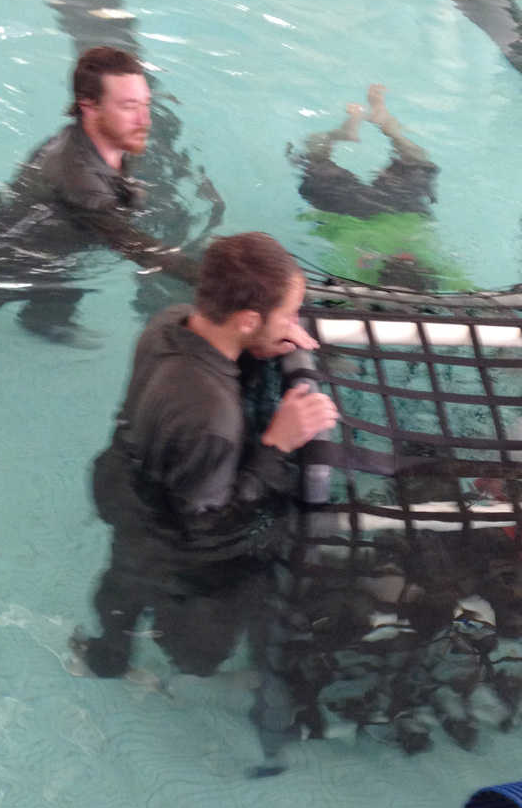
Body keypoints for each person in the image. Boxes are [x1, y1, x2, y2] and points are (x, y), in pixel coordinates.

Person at [74, 232, 339, 679]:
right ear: (247, 320)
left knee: (125, 578)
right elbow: (209, 526)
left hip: (125, 487)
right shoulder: (213, 419)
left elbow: (205, 377)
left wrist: (257, 351)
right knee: (201, 656)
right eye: (289, 314)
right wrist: (277, 445)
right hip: (179, 535)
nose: (296, 323)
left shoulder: (169, 323)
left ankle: (108, 654)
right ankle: (173, 651)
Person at [0, 46, 219, 343]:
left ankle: (42, 318)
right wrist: (214, 283)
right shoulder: (82, 182)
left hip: (43, 249)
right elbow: (141, 250)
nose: (145, 120)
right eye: (129, 107)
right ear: (89, 105)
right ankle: (42, 317)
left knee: (69, 251)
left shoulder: (94, 142)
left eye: (146, 104)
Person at [291, 84, 471, 292]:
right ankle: (369, 129)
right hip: (357, 215)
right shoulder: (356, 279)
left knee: (417, 160)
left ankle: (382, 129)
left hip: (391, 213)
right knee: (313, 157)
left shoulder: (445, 273)